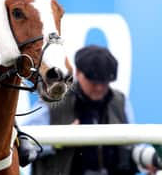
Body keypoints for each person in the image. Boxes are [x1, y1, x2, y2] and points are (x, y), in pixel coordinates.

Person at [25, 45, 161, 175]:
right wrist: (59, 140)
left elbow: (134, 144)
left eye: (104, 82)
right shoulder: (52, 103)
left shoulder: (121, 102)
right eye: (94, 82)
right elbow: (25, 142)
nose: (99, 88)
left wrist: (150, 158)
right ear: (77, 73)